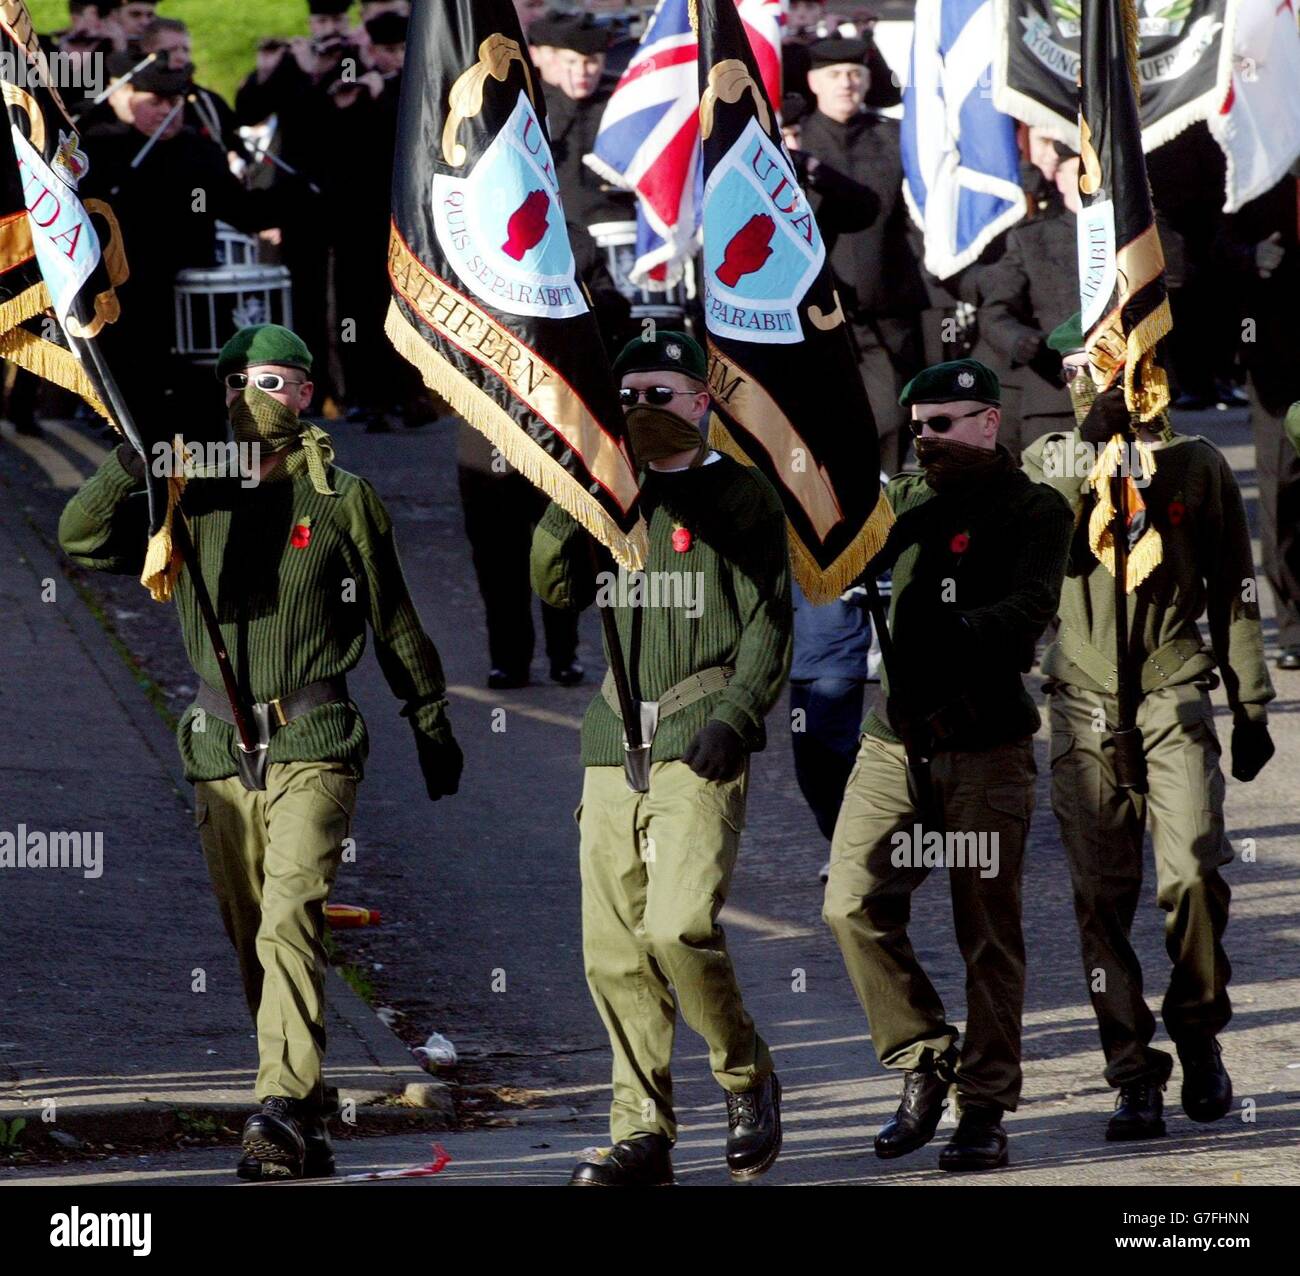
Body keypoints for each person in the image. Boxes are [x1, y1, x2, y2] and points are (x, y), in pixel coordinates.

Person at [57, 324, 463, 1180]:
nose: (252, 398)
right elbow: (81, 540)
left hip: (314, 739)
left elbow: (393, 620)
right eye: (239, 383)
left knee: (290, 917)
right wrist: (131, 467)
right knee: (255, 940)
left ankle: (276, 1103)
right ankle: (305, 1118)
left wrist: (429, 718)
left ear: (307, 395)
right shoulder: (189, 491)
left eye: (273, 382)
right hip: (217, 749)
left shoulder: (342, 498)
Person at [531, 330, 790, 1187]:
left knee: (679, 924)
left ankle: (745, 1075)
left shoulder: (741, 496)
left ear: (701, 402)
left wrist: (739, 712)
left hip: (700, 736)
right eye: (630, 397)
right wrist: (568, 488)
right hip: (613, 742)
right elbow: (555, 587)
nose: (645, 411)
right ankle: (641, 1129)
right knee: (612, 949)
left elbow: (769, 622)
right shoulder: (608, 490)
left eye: (662, 395)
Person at [1022, 318, 1275, 1141]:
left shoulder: (1193, 463)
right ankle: (1131, 1071)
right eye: (1084, 370)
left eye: (1114, 369)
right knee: (1100, 903)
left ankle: (1198, 1030)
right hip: (1083, 698)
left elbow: (1236, 585)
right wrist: (1090, 449)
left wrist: (1251, 702)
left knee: (1195, 873)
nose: (1098, 383)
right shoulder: (1046, 462)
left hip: (1172, 688)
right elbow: (1041, 535)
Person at [822, 358, 1073, 1171]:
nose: (927, 440)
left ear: (990, 422)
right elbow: (835, 560)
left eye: (944, 424)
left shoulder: (1034, 508)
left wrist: (957, 634)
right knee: (850, 902)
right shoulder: (901, 502)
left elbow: (1034, 604)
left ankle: (985, 1107)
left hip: (987, 749)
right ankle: (924, 1053)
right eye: (918, 427)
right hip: (895, 743)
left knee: (987, 933)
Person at [80, 57, 295, 445]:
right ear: (129, 100)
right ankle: (149, 483)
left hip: (192, 300)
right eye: (155, 101)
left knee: (200, 403)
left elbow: (241, 210)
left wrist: (297, 197)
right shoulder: (105, 148)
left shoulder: (199, 150)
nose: (166, 111)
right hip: (133, 298)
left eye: (175, 102)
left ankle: (208, 490)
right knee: (141, 404)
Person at [798, 35, 926, 476]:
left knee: (892, 415)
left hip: (888, 302)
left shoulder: (893, 136)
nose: (846, 84)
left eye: (855, 74)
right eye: (834, 75)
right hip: (820, 305)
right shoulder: (794, 143)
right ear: (814, 81)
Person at [1223, 169, 1300, 670]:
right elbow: (1210, 248)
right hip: (1278, 364)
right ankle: (1294, 625)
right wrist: (1251, 257)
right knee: (1282, 492)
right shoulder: (1253, 177)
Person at [975, 146, 1079, 462]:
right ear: (1059, 179)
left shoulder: (1135, 237)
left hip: (1128, 400)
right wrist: (1021, 341)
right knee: (1059, 502)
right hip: (1056, 398)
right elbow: (995, 312)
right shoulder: (1034, 239)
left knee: (1133, 503)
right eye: (1079, 173)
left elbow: (1176, 277)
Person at [531, 13, 632, 229]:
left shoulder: (622, 99)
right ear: (556, 60)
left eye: (591, 62)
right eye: (572, 62)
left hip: (614, 222)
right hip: (558, 226)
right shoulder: (535, 104)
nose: (581, 72)